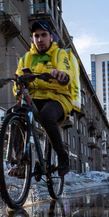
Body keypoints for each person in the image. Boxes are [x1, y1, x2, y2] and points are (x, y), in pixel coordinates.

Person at [13, 20, 72, 177]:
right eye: (36, 36)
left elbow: (67, 71)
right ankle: (20, 162)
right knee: (15, 112)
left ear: (51, 37)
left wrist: (62, 75)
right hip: (35, 98)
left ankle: (62, 157)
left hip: (58, 98)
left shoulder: (60, 54)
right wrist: (19, 93)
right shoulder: (25, 59)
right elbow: (17, 81)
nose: (40, 39)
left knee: (46, 116)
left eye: (43, 35)